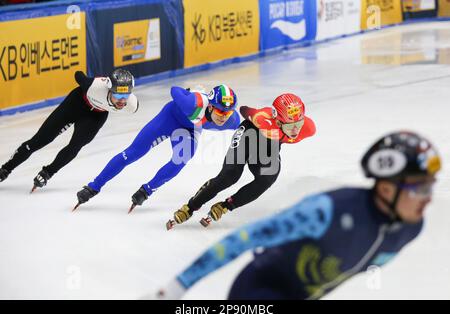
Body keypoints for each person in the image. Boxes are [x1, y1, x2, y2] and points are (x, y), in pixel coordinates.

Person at [154, 131, 441, 300]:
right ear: (388, 188)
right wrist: (175, 289)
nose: (428, 200)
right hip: (258, 291)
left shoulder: (409, 228)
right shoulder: (328, 210)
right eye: (420, 188)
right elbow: (242, 239)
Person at [74, 85, 241, 212]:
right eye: (220, 112)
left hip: (188, 130)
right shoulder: (192, 103)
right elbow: (174, 90)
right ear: (210, 107)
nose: (223, 118)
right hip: (169, 117)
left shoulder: (232, 120)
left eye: (227, 113)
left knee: (181, 160)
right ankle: (93, 186)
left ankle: (146, 191)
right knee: (132, 153)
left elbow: (245, 127)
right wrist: (188, 91)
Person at [167, 93, 316, 229]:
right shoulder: (262, 118)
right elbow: (245, 110)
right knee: (230, 175)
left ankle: (226, 205)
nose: (296, 130)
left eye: (299, 124)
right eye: (290, 125)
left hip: (268, 146)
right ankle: (191, 206)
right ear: (277, 121)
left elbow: (295, 128)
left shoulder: (308, 128)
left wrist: (292, 127)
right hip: (249, 134)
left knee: (268, 177)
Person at [0, 69, 138, 192]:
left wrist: (48, 172)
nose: (122, 101)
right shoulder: (94, 86)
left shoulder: (131, 104)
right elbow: (78, 75)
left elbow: (128, 101)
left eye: (125, 96)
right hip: (76, 103)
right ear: (109, 89)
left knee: (75, 146)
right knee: (40, 140)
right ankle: (6, 169)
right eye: (118, 96)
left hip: (96, 115)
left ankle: (48, 172)